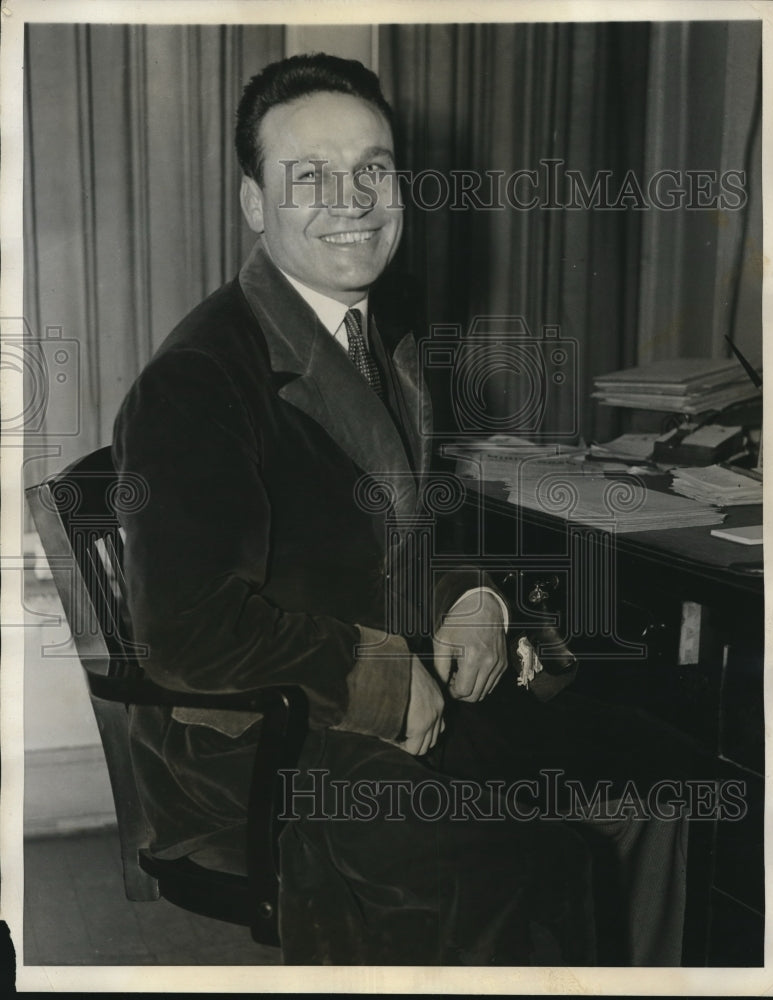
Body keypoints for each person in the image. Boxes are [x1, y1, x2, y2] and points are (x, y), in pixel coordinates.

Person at [113, 52, 695, 966]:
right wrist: (382, 679)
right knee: (519, 864)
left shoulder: (379, 332)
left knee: (654, 773)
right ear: (255, 205)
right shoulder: (196, 381)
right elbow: (186, 635)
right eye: (310, 176)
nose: (353, 199)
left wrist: (467, 597)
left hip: (383, 678)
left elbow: (410, 526)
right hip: (267, 740)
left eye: (373, 170)